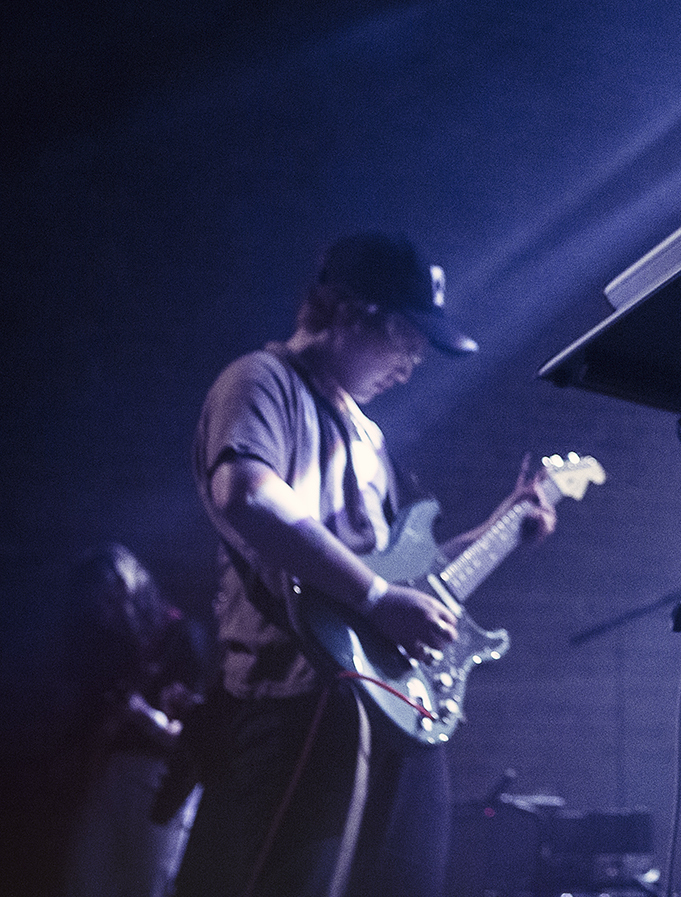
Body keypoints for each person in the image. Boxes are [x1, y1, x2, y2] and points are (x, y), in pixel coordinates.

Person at [172, 233, 557, 897]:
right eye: (406, 337)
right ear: (348, 312)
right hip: (297, 701)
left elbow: (412, 576)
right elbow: (248, 495)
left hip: (391, 704)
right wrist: (378, 600)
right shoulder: (261, 381)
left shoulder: (368, 435)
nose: (412, 364)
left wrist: (504, 530)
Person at [61, 543, 207, 897]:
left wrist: (141, 715)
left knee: (148, 885)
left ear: (128, 589)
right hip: (111, 773)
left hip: (159, 777)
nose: (104, 614)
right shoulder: (113, 645)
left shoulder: (183, 636)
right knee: (86, 880)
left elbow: (190, 736)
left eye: (109, 601)